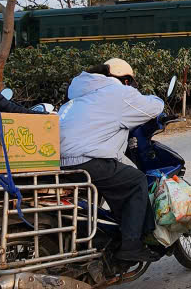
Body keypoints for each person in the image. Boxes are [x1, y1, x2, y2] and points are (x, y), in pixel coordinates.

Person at [58, 58, 165, 263]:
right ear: (126, 81)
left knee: (116, 177)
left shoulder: (79, 94)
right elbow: (154, 107)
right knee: (135, 181)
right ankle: (131, 246)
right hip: (87, 160)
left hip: (61, 162)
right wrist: (154, 98)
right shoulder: (118, 92)